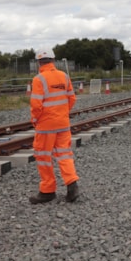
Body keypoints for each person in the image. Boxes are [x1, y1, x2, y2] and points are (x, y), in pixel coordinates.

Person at [29, 50, 80, 204]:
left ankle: (47, 191)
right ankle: (72, 186)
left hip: (45, 126)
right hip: (63, 124)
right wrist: (62, 113)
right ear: (53, 60)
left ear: (39, 62)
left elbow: (36, 104)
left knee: (43, 157)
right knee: (65, 155)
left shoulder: (39, 79)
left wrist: (35, 120)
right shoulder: (64, 76)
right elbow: (72, 98)